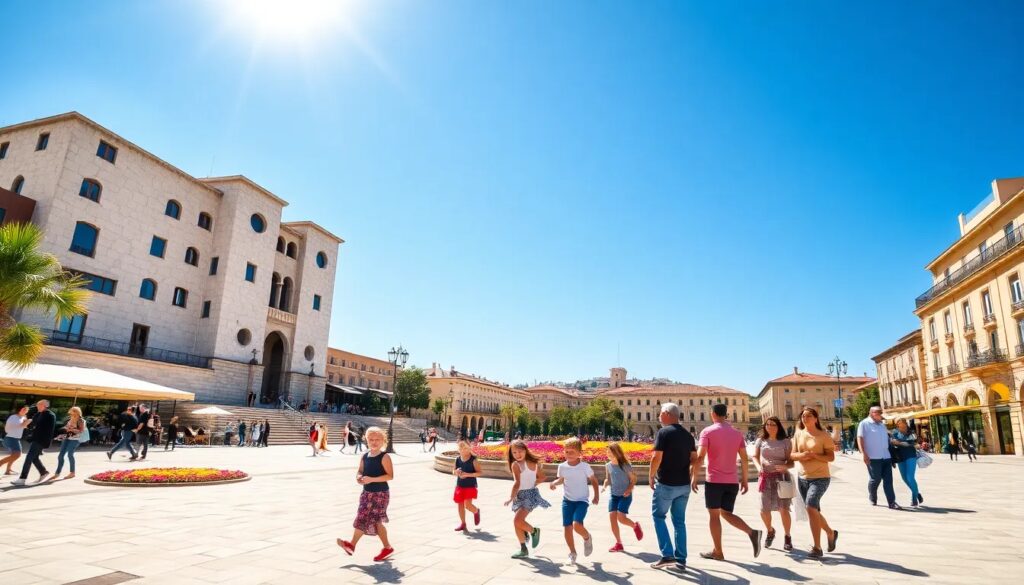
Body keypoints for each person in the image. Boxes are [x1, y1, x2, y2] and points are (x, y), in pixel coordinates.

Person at [693, 403, 762, 562]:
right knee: (726, 513)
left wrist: (694, 476)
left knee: (714, 515)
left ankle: (718, 552)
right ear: (726, 415)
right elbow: (744, 458)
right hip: (732, 481)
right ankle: (752, 533)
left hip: (714, 481)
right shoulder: (737, 433)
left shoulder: (707, 432)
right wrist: (745, 479)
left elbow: (700, 456)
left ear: (712, 414)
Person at [648, 402, 698, 571]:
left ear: (668, 414)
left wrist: (651, 476)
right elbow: (694, 459)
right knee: (679, 522)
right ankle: (681, 559)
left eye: (660, 413)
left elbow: (656, 457)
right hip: (683, 485)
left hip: (666, 484)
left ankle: (667, 555)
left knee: (658, 516)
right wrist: (689, 474)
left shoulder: (663, 432)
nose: (659, 416)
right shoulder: (688, 435)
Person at [336, 427, 395, 562]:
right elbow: (360, 471)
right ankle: (384, 547)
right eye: (371, 440)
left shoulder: (384, 457)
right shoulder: (364, 456)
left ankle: (355, 545)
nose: (374, 442)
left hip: (380, 494)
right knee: (368, 519)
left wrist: (372, 479)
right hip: (366, 493)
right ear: (366, 440)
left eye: (377, 439)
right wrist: (358, 477)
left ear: (383, 441)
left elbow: (390, 476)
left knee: (370, 519)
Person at [791, 407, 838, 559]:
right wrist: (802, 456)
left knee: (811, 507)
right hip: (803, 477)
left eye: (809, 416)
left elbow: (831, 457)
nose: (805, 418)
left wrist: (815, 456)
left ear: (816, 418)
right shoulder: (798, 434)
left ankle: (817, 547)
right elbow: (792, 455)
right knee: (813, 511)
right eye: (803, 416)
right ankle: (830, 532)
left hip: (820, 477)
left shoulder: (823, 435)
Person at [549, 437, 599, 565]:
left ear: (579, 453)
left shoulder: (584, 466)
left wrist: (596, 495)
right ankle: (572, 553)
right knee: (567, 527)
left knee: (577, 525)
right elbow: (561, 479)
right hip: (567, 501)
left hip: (582, 501)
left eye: (572, 452)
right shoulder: (562, 466)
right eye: (566, 451)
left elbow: (594, 480)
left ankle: (587, 537)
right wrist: (554, 482)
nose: (568, 454)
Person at [753, 416, 794, 551]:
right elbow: (755, 456)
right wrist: (758, 467)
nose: (770, 427)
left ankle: (787, 536)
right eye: (768, 424)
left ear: (778, 426)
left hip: (782, 478)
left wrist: (785, 466)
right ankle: (770, 531)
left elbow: (791, 461)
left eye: (773, 424)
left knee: (783, 509)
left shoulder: (786, 442)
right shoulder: (761, 440)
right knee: (763, 510)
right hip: (765, 477)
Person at [505, 439, 549, 559]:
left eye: (520, 451)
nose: (517, 455)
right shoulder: (533, 463)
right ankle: (523, 549)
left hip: (525, 496)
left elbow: (517, 483)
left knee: (517, 521)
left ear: (525, 450)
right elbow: (542, 477)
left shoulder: (515, 465)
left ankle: (534, 531)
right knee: (517, 523)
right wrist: (533, 484)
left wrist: (510, 497)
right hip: (527, 494)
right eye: (514, 452)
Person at [603, 442, 642, 552]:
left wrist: (629, 489)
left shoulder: (625, 465)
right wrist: (605, 485)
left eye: (611, 452)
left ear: (617, 453)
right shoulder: (608, 466)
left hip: (625, 495)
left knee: (621, 518)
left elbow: (633, 479)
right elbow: (607, 479)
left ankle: (635, 526)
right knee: (612, 518)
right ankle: (618, 543)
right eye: (607, 452)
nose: (608, 454)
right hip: (613, 495)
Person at [857, 405, 898, 509]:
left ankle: (892, 502)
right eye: (878, 412)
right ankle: (872, 496)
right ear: (872, 413)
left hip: (886, 457)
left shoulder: (882, 425)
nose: (881, 414)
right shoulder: (864, 423)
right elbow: (860, 438)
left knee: (888, 480)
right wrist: (864, 454)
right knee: (875, 479)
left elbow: (887, 441)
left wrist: (892, 458)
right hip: (873, 457)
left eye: (881, 412)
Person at [12, 399, 57, 485]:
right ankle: (43, 472)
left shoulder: (50, 415)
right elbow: (31, 424)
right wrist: (27, 422)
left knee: (29, 457)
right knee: (34, 458)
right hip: (36, 439)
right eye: (37, 405)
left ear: (45, 406)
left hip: (42, 440)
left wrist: (31, 423)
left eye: (39, 405)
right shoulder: (39, 414)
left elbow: (44, 428)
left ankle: (22, 478)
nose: (37, 406)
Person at [891, 418, 922, 507]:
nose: (901, 425)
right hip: (900, 457)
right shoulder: (895, 432)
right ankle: (917, 493)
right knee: (904, 478)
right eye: (899, 423)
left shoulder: (911, 431)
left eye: (903, 423)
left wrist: (901, 443)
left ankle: (914, 499)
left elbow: (915, 442)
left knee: (910, 477)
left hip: (911, 456)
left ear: (905, 423)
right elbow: (893, 443)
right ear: (897, 424)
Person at [453, 440, 482, 531]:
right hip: (460, 485)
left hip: (470, 486)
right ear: (458, 450)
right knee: (460, 505)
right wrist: (456, 472)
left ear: (469, 448)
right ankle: (463, 524)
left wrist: (467, 475)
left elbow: (479, 473)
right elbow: (453, 471)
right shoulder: (457, 459)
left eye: (465, 448)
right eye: (461, 448)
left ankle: (476, 511)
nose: (463, 450)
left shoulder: (473, 460)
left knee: (468, 505)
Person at [54, 406, 86, 480]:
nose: (71, 414)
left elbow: (81, 431)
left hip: (75, 439)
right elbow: (66, 427)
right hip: (67, 438)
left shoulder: (81, 420)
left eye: (72, 413)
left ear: (77, 412)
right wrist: (65, 428)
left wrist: (71, 429)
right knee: (60, 455)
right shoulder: (70, 419)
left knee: (70, 455)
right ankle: (57, 473)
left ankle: (72, 472)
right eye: (71, 413)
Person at [1, 405, 30, 475]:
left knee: (13, 455)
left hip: (15, 438)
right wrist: (29, 420)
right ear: (20, 410)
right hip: (10, 438)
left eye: (27, 410)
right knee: (17, 455)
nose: (26, 411)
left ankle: (8, 470)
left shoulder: (22, 417)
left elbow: (25, 426)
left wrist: (26, 420)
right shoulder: (13, 417)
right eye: (25, 410)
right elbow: (22, 425)